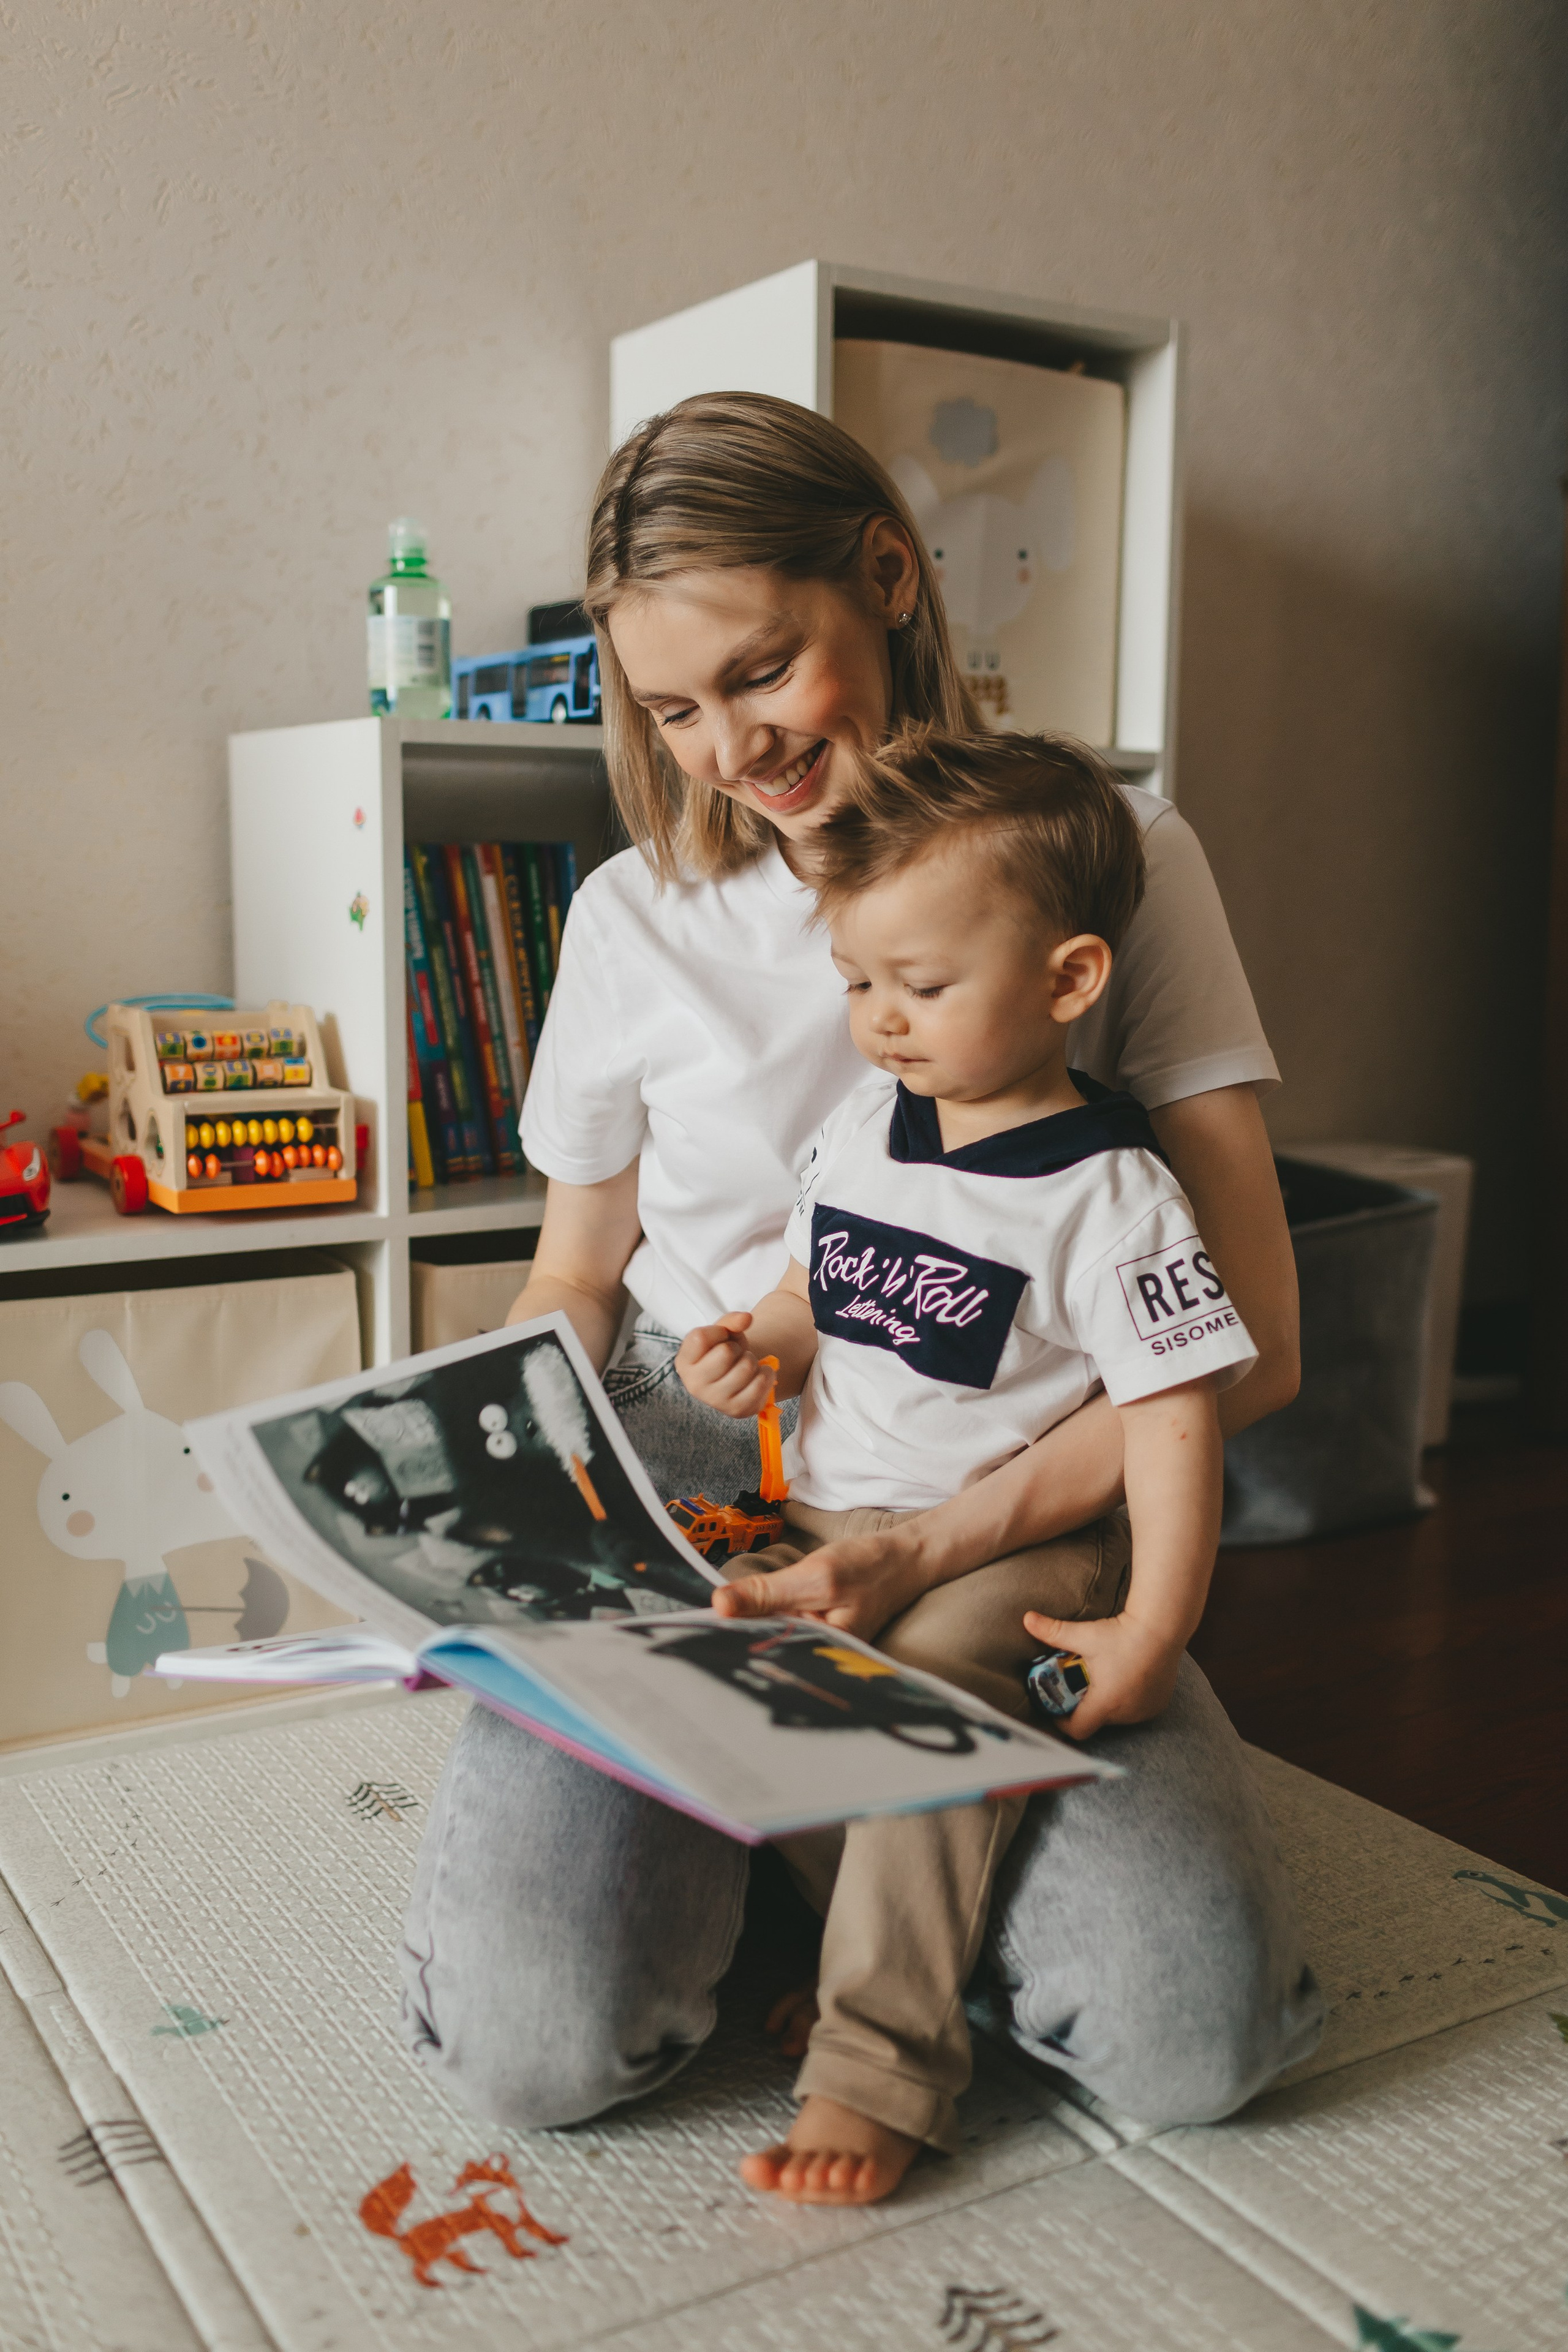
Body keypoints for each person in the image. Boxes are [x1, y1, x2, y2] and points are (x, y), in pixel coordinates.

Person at [397, 390, 1323, 2165]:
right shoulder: (633, 917)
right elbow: (577, 1276)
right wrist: (491, 1492)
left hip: (1009, 1470)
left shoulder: (1119, 863)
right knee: (540, 2046)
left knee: (1191, 2037)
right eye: (671, 709)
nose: (727, 746)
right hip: (706, 1448)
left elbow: (1253, 1351)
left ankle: (831, 1863)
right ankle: (791, 1856)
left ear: (888, 578)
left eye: (759, 674)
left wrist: (930, 1550)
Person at [676, 725, 1259, 2202]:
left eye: (920, 989)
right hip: (820, 1503)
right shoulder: (873, 1122)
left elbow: (1176, 1414)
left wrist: (1155, 1624)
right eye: (858, 983)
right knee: (737, 1673)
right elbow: (825, 1290)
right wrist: (767, 1343)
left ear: (1067, 980)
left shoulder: (1107, 1198)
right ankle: (878, 1952)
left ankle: (878, 2069)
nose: (879, 1020)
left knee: (916, 1710)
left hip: (1008, 1548)